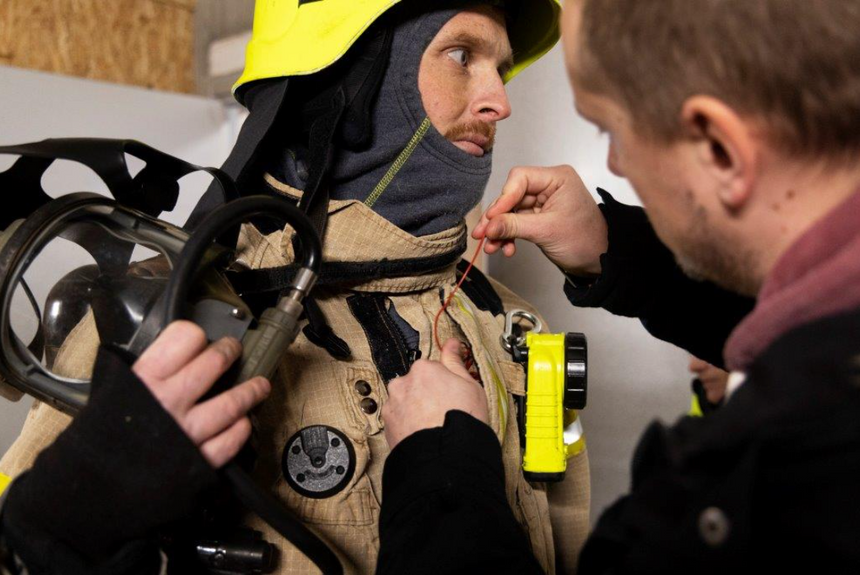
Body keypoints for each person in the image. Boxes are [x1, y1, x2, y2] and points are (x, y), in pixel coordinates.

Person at [0, 1, 591, 573]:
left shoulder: (508, 321)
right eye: (461, 55)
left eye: (501, 66)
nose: (500, 101)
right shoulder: (165, 325)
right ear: (351, 82)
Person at [377, 0, 860, 572]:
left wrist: (439, 468)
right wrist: (614, 246)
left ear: (720, 149)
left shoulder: (780, 479)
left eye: (611, 128)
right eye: (460, 56)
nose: (616, 163)